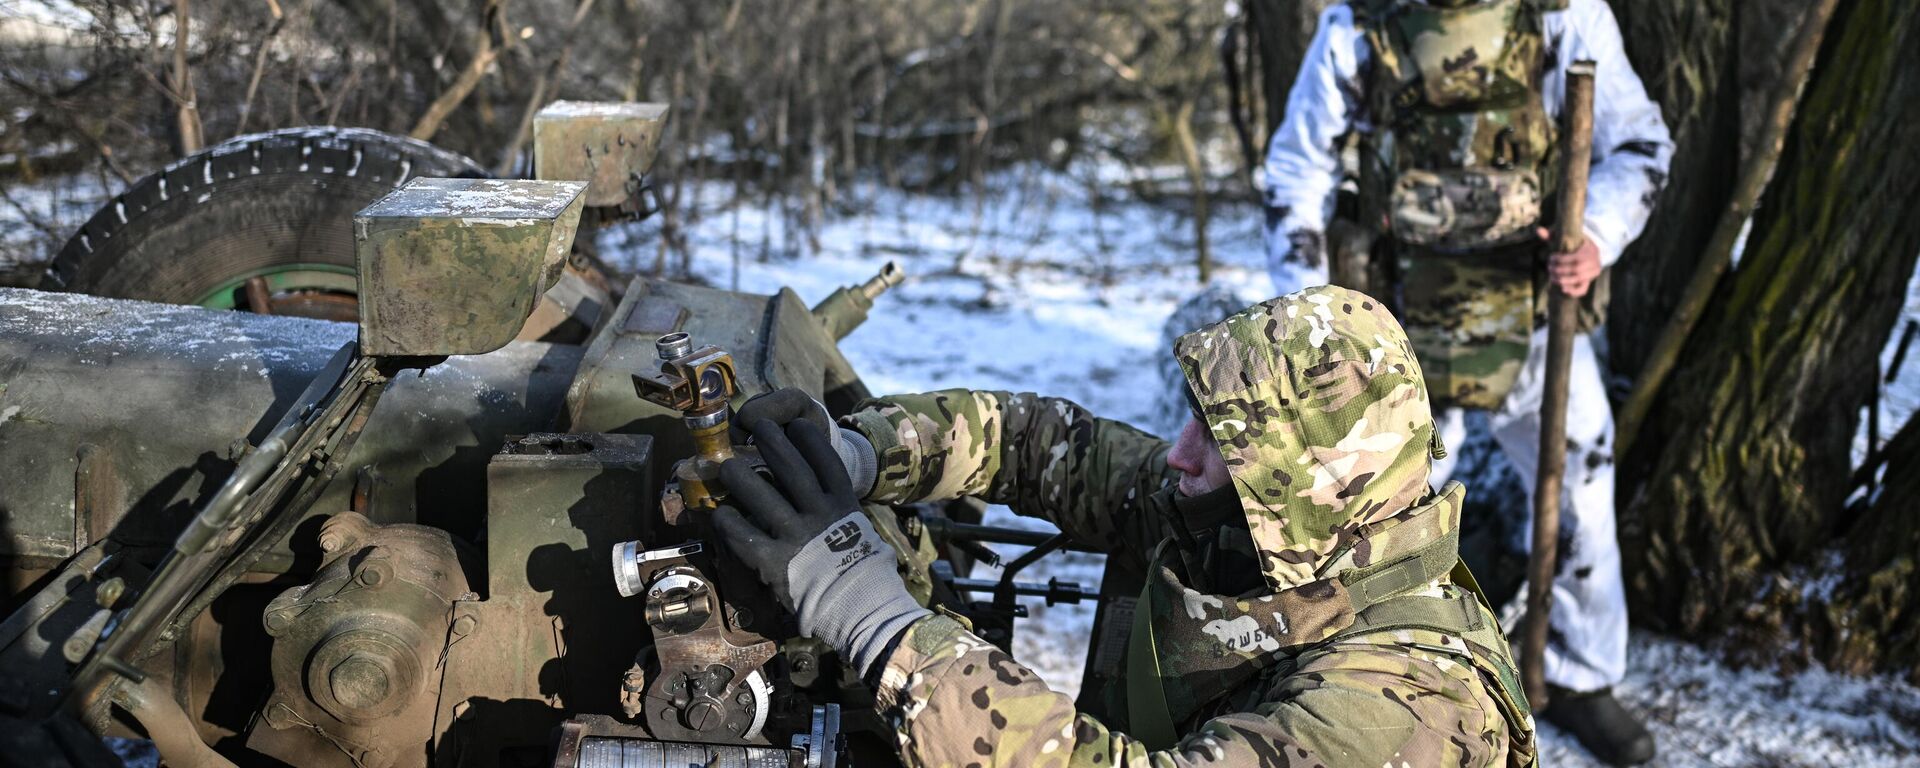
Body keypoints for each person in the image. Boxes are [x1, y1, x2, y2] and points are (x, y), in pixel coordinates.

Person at [712, 286, 1537, 767]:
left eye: (1218, 442)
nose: (1177, 457)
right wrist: (862, 453)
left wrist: (877, 620)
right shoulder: (1268, 524)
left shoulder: (1408, 708)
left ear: (1305, 482)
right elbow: (1038, 446)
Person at [1260, 1, 1673, 764]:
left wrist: (1599, 237)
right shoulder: (1361, 23)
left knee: (1579, 475)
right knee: (1363, 501)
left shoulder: (1564, 14)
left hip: (1534, 311)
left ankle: (1579, 673)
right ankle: (1362, 677)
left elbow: (1641, 146)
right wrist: (1310, 314)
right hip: (1394, 314)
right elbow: (1298, 168)